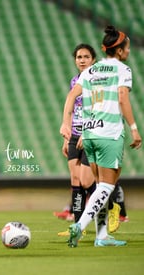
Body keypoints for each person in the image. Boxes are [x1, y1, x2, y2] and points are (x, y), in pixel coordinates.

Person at [60, 26, 142, 247]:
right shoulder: (122, 70)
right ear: (120, 50)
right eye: (127, 48)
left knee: (99, 185)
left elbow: (70, 96)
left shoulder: (90, 72)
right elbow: (123, 99)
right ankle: (79, 226)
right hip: (109, 133)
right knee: (107, 185)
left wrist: (66, 123)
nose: (129, 51)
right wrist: (134, 127)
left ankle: (102, 235)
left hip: (88, 134)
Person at [56, 44, 97, 236]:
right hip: (73, 135)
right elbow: (72, 109)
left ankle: (108, 203)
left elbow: (97, 109)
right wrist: (67, 137)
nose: (82, 60)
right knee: (75, 179)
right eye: (79, 57)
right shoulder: (75, 81)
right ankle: (77, 227)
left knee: (87, 180)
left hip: (90, 134)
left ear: (93, 60)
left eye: (86, 57)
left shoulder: (97, 81)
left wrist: (86, 133)